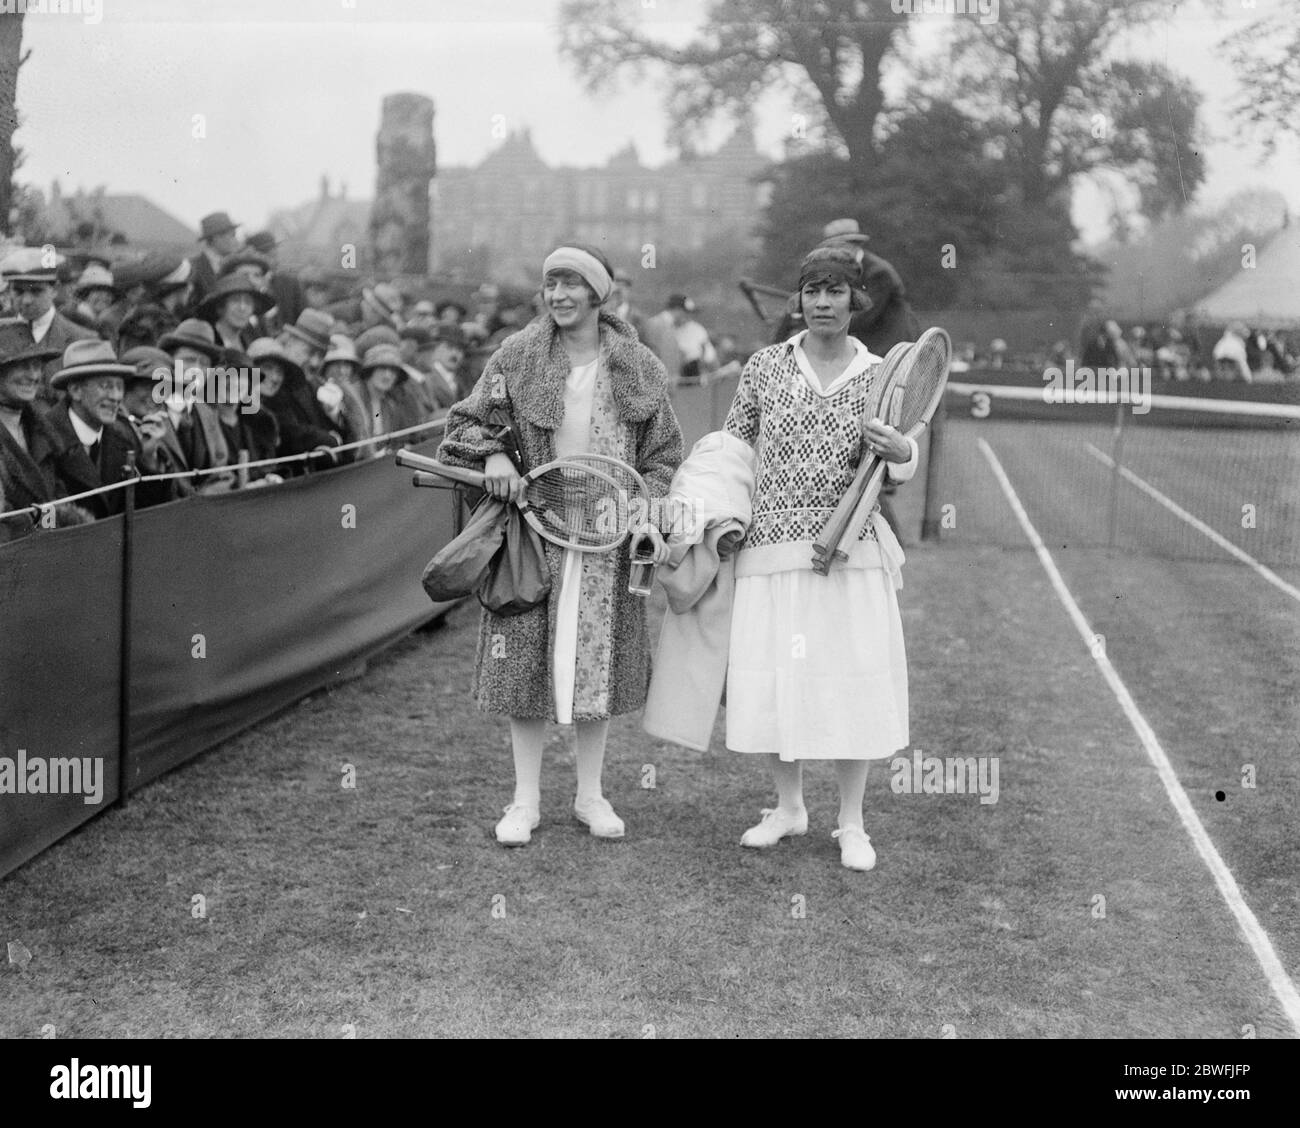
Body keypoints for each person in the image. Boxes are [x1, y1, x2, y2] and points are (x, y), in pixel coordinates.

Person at [437, 243, 682, 847]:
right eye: (552, 283)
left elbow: (663, 456)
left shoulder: (639, 365)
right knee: (526, 661)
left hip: (606, 539)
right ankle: (525, 800)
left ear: (599, 293)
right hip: (532, 533)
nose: (560, 295)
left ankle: (590, 794)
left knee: (593, 667)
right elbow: (464, 424)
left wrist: (642, 507)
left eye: (573, 283)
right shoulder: (516, 356)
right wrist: (493, 453)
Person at [720, 245, 920, 873]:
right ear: (798, 300)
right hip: (771, 552)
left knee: (851, 682)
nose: (823, 303)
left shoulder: (884, 372)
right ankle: (787, 808)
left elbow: (906, 462)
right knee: (781, 682)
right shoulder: (764, 367)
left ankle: (853, 823)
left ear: (856, 301)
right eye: (812, 291)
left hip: (852, 552)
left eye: (836, 291)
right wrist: (715, 514)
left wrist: (901, 451)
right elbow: (733, 447)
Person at [43, 340, 177, 518]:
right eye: (105, 386)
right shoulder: (43, 438)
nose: (115, 397)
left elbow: (147, 512)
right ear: (76, 390)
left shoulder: (124, 437)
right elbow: (40, 516)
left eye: (119, 387)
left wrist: (149, 461)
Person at [0, 325, 94, 537]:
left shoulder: (43, 430)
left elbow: (56, 495)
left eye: (37, 366)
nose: (33, 375)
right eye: (23, 366)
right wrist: (52, 521)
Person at [0, 248, 97, 400]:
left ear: (55, 289)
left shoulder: (83, 341)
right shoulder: (2, 332)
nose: (26, 301)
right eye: (18, 292)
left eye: (36, 292)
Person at [198, 271, 272, 351]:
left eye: (248, 302)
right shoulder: (203, 338)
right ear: (220, 307)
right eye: (235, 300)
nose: (242, 308)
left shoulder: (250, 343)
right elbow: (182, 361)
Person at [188, 211, 243, 308]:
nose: (236, 240)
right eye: (232, 235)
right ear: (216, 238)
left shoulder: (232, 268)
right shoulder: (193, 268)